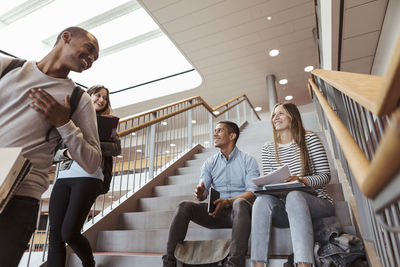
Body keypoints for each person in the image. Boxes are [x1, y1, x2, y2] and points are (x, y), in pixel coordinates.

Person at [0, 27, 102, 266]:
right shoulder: (7, 68)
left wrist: (63, 123)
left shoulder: (78, 99)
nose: (90, 60)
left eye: (95, 59)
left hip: (21, 197)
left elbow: (92, 161)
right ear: (66, 37)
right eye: (89, 50)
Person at [162, 121, 260, 267]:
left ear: (232, 135)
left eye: (219, 130)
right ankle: (169, 262)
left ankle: (234, 263)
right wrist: (200, 193)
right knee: (184, 206)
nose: (214, 134)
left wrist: (228, 201)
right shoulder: (209, 163)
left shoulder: (248, 160)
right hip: (216, 212)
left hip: (240, 214)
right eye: (214, 131)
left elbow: (252, 192)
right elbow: (203, 191)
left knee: (239, 203)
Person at [251, 103, 334, 267]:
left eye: (280, 113)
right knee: (261, 200)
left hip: (317, 203)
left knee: (294, 195)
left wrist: (302, 180)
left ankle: (304, 263)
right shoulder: (268, 148)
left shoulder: (310, 139)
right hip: (286, 208)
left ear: (292, 116)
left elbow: (325, 176)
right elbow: (268, 182)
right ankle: (258, 264)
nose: (275, 118)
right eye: (274, 115)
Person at [47, 85, 121, 267]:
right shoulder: (70, 120)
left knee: (69, 233)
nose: (101, 100)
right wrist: (68, 153)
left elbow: (116, 148)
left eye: (105, 98)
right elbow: (54, 152)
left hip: (90, 177)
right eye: (98, 95)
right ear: (88, 96)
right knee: (55, 234)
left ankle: (89, 262)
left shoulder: (107, 123)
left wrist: (89, 146)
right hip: (64, 177)